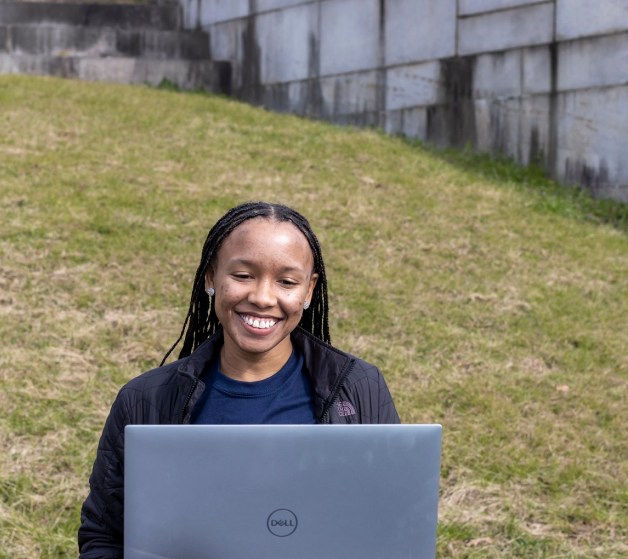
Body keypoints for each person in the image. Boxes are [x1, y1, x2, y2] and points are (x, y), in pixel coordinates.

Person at [78, 201, 400, 558]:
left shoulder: (357, 389)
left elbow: (392, 523)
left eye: (287, 282)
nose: (262, 297)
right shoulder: (146, 400)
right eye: (243, 276)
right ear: (211, 277)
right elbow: (104, 537)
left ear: (308, 291)